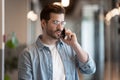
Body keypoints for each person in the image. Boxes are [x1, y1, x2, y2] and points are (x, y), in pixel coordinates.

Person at [18, 3, 96, 80]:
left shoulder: (70, 48)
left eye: (62, 23)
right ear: (43, 23)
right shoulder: (28, 54)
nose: (60, 28)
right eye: (55, 22)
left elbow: (90, 69)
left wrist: (75, 45)